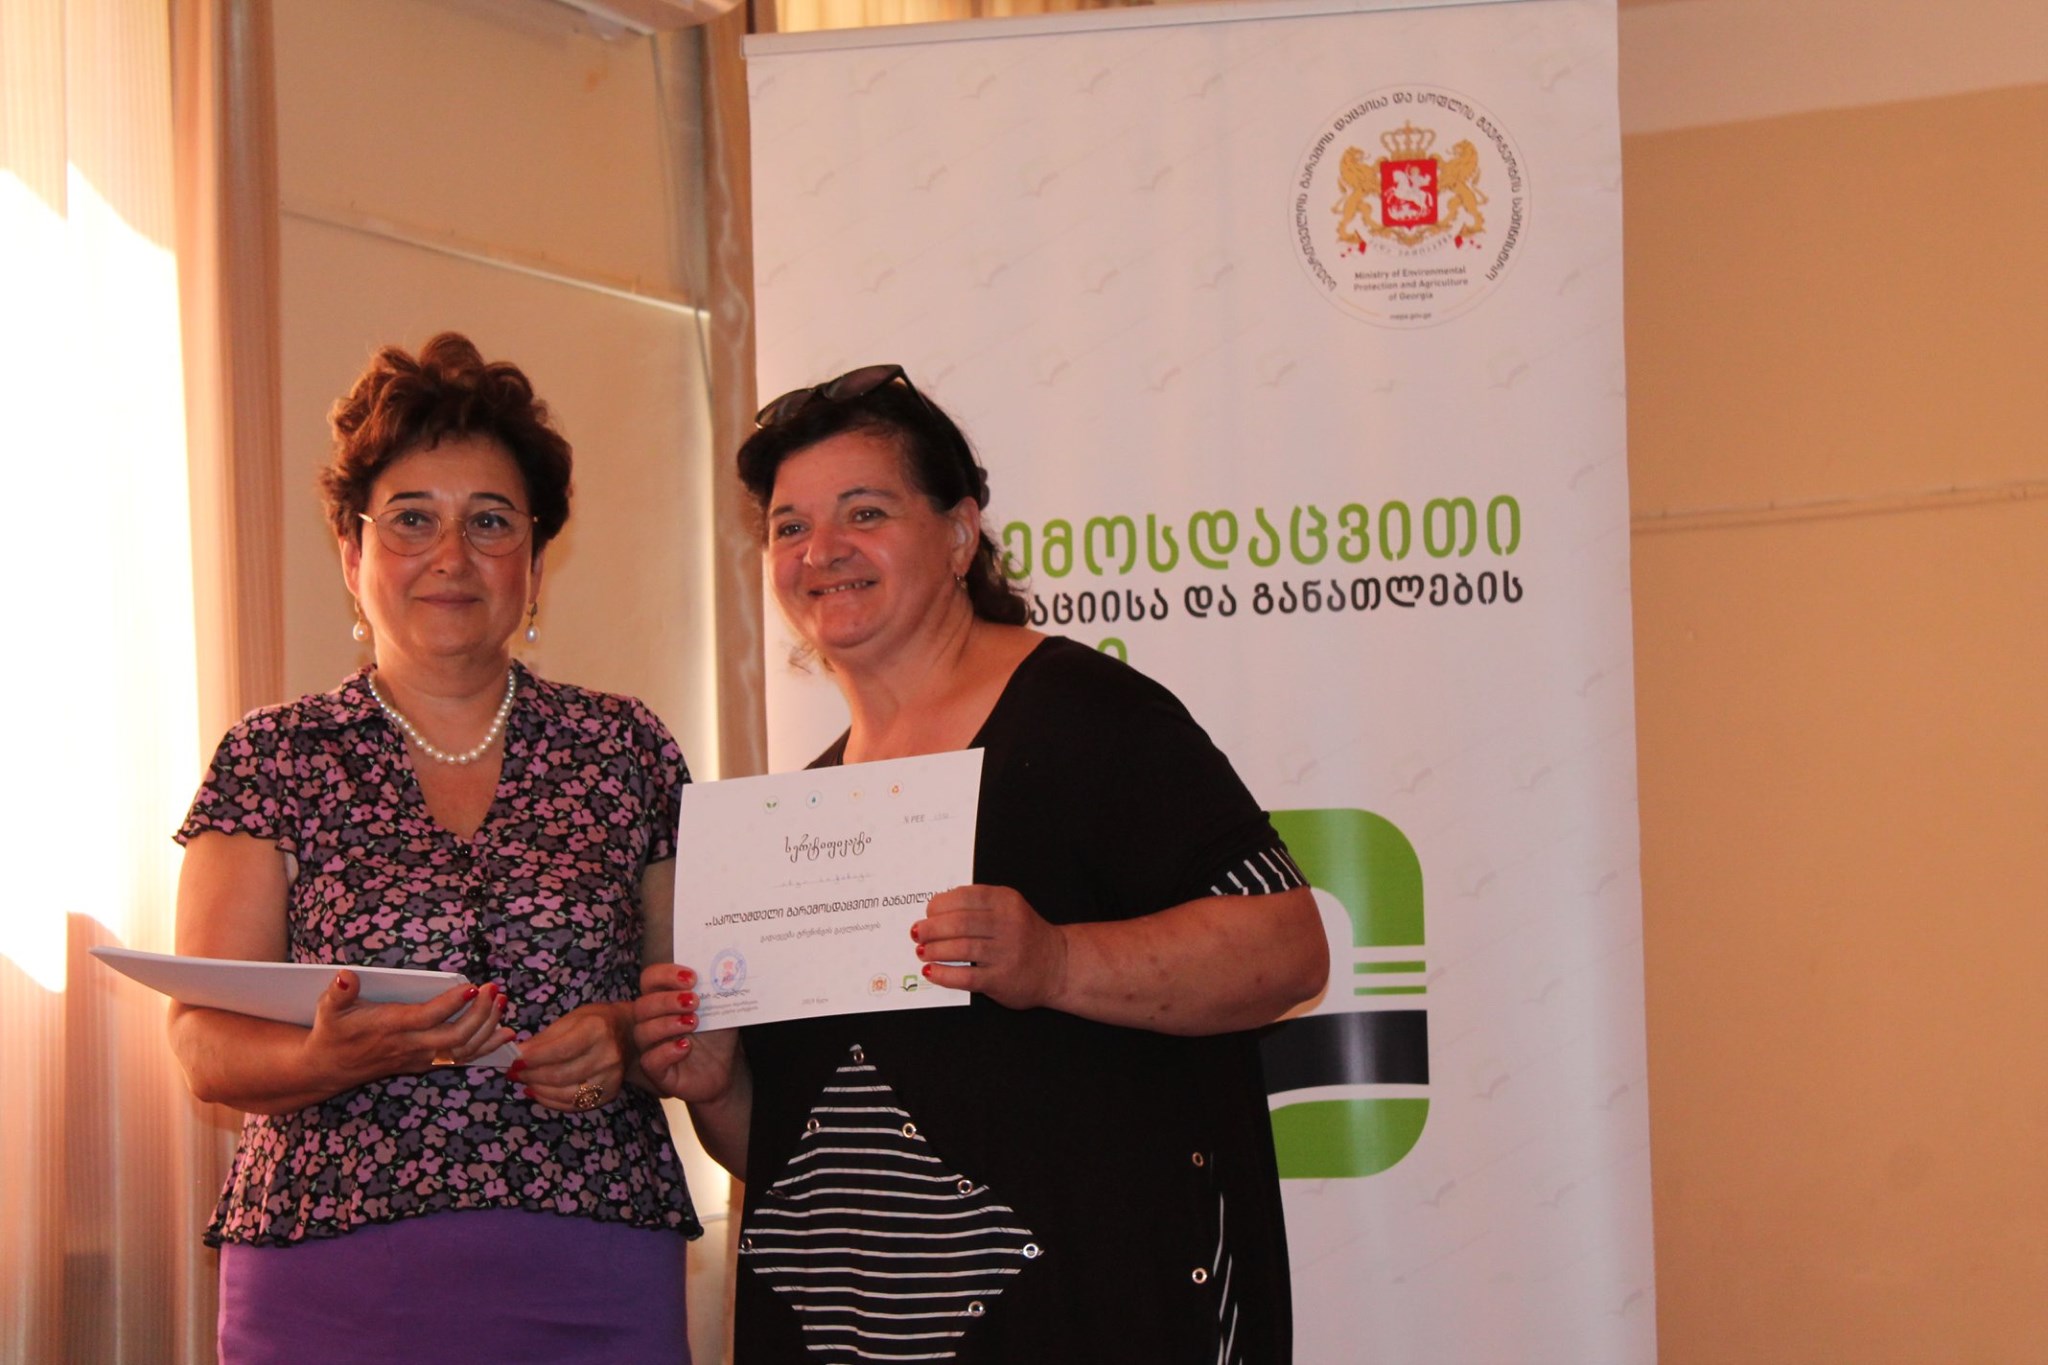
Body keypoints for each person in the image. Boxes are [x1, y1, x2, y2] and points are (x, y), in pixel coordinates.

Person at [634, 365, 1328, 1362]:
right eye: (789, 526)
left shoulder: (1089, 716)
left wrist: (1056, 962)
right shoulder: (796, 821)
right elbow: (803, 1158)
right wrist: (716, 1088)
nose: (821, 551)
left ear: (960, 534)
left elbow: (1289, 949)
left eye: (864, 512)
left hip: (1103, 1320)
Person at [169, 333, 699, 1363]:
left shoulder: (625, 747)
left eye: (489, 521)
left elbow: (691, 1007)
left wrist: (624, 1039)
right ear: (352, 555)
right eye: (412, 519)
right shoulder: (273, 754)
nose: (451, 556)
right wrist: (322, 1059)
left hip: (593, 1262)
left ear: (534, 565)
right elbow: (201, 1041)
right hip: (326, 1271)